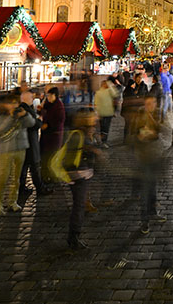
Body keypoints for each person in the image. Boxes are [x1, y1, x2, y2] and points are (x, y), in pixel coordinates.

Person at [61, 110, 102, 249]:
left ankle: (73, 237)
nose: (96, 118)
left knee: (79, 204)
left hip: (79, 174)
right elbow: (89, 151)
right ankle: (73, 238)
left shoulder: (80, 132)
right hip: (79, 174)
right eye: (93, 117)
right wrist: (95, 148)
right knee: (78, 206)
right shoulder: (81, 135)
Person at [130, 96, 166, 234]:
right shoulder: (140, 115)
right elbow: (133, 134)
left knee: (152, 188)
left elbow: (163, 129)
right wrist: (140, 137)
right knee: (145, 192)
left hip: (155, 156)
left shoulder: (157, 113)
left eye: (152, 103)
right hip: (143, 158)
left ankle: (153, 213)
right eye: (148, 104)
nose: (150, 106)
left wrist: (154, 130)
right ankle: (144, 221)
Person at [0, 99, 35, 215]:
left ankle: (13, 202)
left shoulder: (22, 116)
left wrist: (25, 114)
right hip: (6, 150)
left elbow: (31, 123)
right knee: (3, 178)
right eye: (10, 103)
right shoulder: (1, 116)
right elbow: (0, 129)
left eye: (15, 103)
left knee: (17, 178)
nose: (13, 106)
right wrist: (11, 117)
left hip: (21, 149)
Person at [17, 90, 50, 201]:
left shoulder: (22, 109)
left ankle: (21, 188)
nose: (33, 99)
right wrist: (40, 121)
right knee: (35, 166)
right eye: (31, 97)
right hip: (30, 141)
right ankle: (40, 188)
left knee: (24, 166)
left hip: (24, 142)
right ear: (26, 98)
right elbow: (34, 124)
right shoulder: (26, 110)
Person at [39, 87, 66, 182]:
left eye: (50, 96)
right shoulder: (48, 104)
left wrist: (47, 125)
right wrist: (40, 109)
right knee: (44, 157)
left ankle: (52, 177)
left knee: (51, 157)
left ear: (55, 95)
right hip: (46, 136)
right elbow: (42, 111)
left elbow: (59, 122)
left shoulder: (59, 106)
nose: (48, 97)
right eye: (47, 96)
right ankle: (45, 176)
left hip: (54, 136)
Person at [94, 80, 117, 148]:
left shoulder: (106, 92)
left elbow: (115, 94)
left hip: (106, 112)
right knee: (105, 128)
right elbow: (96, 103)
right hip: (105, 112)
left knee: (104, 128)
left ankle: (103, 141)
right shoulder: (100, 92)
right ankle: (103, 141)